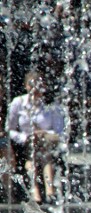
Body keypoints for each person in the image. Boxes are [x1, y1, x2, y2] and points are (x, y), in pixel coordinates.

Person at [6, 69, 65, 204]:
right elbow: (9, 129)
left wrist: (44, 134)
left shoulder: (51, 106)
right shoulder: (18, 103)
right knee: (34, 153)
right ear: (26, 86)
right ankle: (38, 189)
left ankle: (47, 190)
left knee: (44, 153)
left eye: (38, 86)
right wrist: (25, 137)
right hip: (24, 143)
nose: (35, 89)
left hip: (47, 143)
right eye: (31, 85)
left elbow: (60, 131)